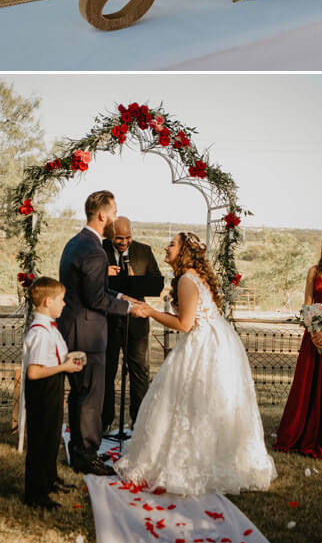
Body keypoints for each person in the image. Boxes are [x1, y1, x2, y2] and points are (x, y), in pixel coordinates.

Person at [118, 231, 275, 497]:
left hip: (203, 345)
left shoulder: (187, 280)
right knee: (209, 403)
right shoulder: (193, 277)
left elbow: (184, 324)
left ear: (184, 252)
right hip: (217, 340)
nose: (166, 247)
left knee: (190, 402)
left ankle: (192, 461)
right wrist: (141, 301)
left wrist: (151, 312)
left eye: (172, 244)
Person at [59, 187, 149, 475]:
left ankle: (79, 453)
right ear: (102, 215)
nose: (115, 217)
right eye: (113, 213)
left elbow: (95, 289)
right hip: (87, 334)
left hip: (73, 330)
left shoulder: (76, 243)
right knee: (89, 397)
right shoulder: (95, 251)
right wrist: (129, 309)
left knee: (79, 395)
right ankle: (86, 458)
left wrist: (122, 297)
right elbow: (95, 298)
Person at [276, 229, 322, 460]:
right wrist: (316, 330)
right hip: (313, 332)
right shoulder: (313, 272)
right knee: (308, 385)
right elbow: (308, 303)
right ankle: (302, 433)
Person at [19, 276, 82, 513]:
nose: (64, 304)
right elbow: (34, 372)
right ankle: (35, 492)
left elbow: (52, 358)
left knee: (52, 436)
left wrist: (67, 361)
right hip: (41, 391)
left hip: (53, 386)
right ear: (47, 302)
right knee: (41, 440)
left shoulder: (51, 329)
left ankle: (49, 478)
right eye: (61, 300)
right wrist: (64, 368)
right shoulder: (40, 334)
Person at [102, 214, 165, 433]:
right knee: (107, 371)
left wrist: (134, 281)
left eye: (128, 237)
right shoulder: (101, 250)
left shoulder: (144, 251)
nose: (124, 242)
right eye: (119, 238)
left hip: (136, 322)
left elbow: (156, 282)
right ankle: (105, 420)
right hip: (108, 321)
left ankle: (139, 422)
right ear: (112, 236)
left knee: (139, 370)